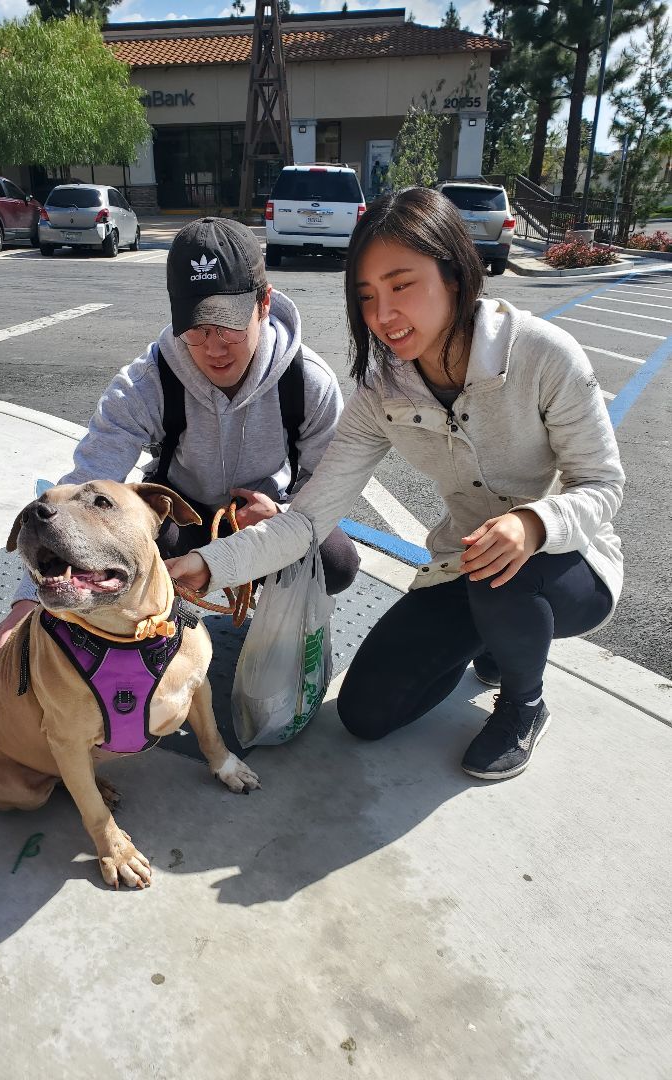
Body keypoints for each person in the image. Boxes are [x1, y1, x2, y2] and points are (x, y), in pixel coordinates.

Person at [167, 187, 625, 781]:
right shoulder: (382, 393)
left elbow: (602, 483)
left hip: (567, 564)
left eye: (401, 284)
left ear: (454, 275)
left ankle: (523, 703)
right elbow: (306, 521)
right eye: (367, 296)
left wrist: (534, 523)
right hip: (467, 564)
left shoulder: (543, 355)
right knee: (365, 714)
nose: (382, 315)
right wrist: (207, 563)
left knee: (504, 588)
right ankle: (495, 638)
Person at [0, 216, 358, 683]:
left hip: (263, 518)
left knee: (337, 560)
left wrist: (281, 515)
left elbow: (327, 492)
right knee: (123, 541)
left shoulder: (309, 382)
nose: (213, 348)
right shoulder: (147, 381)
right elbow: (79, 489)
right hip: (183, 519)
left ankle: (276, 618)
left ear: (263, 303)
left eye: (228, 326)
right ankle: (151, 628)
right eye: (196, 329)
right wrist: (28, 599)